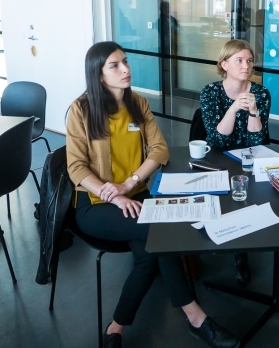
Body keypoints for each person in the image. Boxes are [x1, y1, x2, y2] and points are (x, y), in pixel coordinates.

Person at [67, 41, 239, 348]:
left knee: (149, 256)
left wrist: (129, 183)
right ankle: (197, 318)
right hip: (96, 205)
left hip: (138, 197)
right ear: (97, 73)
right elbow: (76, 167)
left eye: (125, 61)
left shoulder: (139, 104)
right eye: (115, 65)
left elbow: (159, 149)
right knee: (162, 234)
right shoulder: (81, 110)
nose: (126, 69)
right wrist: (114, 196)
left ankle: (114, 330)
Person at [200, 39, 279, 284]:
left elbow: (256, 138)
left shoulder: (260, 93)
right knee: (231, 196)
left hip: (250, 155)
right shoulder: (211, 92)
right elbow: (216, 138)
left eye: (249, 61)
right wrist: (233, 109)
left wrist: (253, 111)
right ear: (224, 64)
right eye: (239, 60)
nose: (246, 66)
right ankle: (238, 252)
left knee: (263, 192)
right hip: (219, 156)